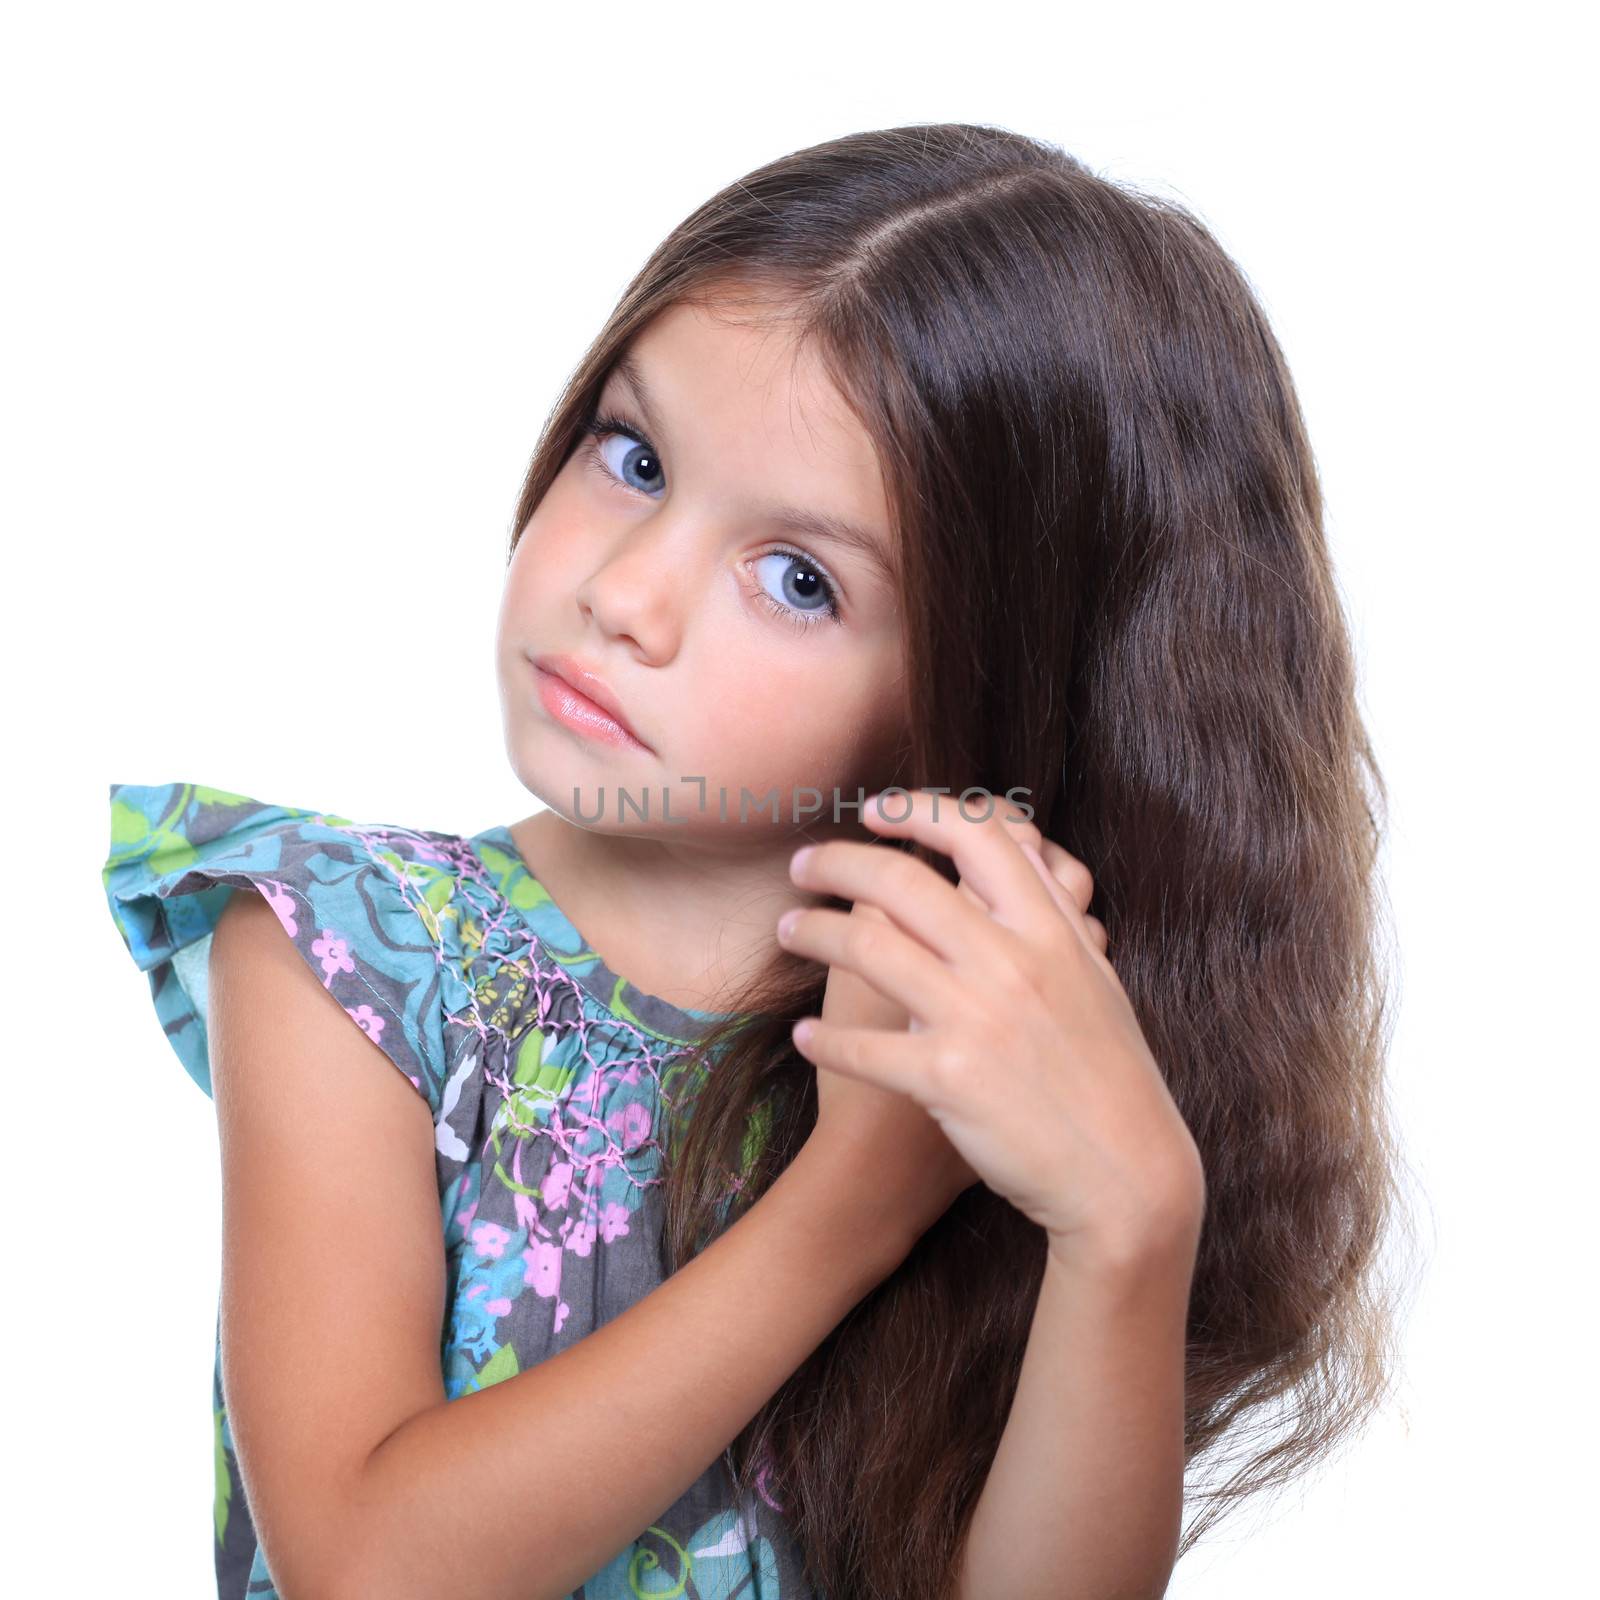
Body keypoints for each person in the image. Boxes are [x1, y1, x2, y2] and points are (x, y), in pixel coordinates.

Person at [101, 122, 1409, 1600]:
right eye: (636, 456)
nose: (625, 593)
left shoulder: (975, 1049)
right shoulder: (353, 956)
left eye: (799, 580)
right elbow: (369, 1567)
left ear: (984, 679)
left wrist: (1129, 1221)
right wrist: (849, 1208)